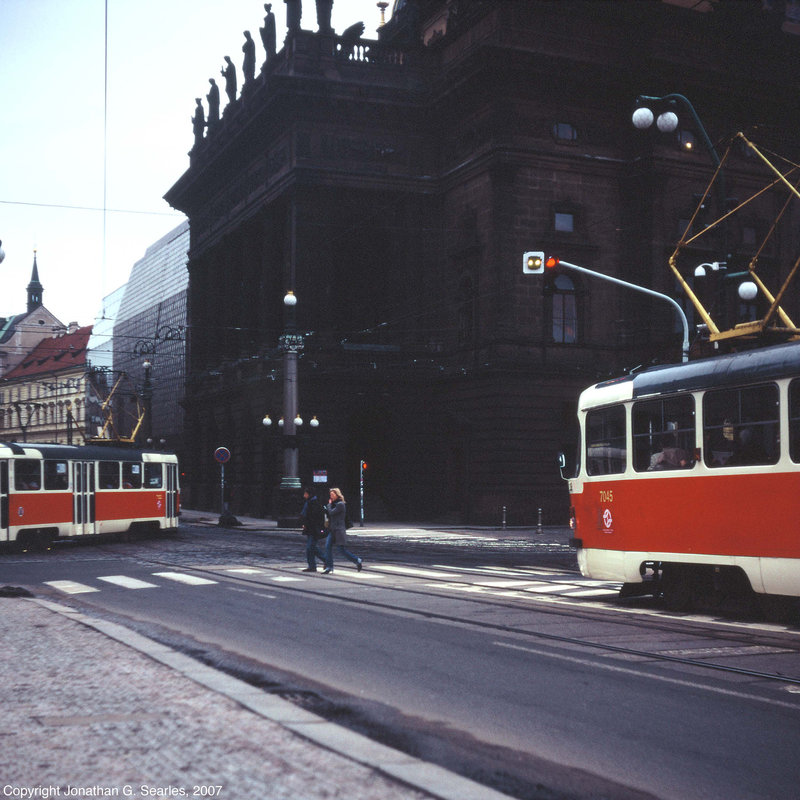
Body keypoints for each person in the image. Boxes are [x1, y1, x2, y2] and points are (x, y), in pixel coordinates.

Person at [322, 487, 363, 574]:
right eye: (330, 495)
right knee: (327, 547)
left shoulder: (340, 504)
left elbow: (332, 512)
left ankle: (357, 560)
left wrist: (328, 505)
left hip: (339, 531)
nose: (331, 496)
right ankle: (329, 567)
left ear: (337, 495)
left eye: (332, 495)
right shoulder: (333, 504)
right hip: (332, 530)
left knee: (341, 550)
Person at [300, 487, 326, 572]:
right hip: (310, 528)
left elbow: (314, 517)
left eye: (305, 494)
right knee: (312, 547)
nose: (304, 495)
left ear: (309, 494)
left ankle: (313, 565)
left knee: (310, 547)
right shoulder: (309, 502)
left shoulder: (314, 503)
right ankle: (314, 565)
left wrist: (306, 524)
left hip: (314, 529)